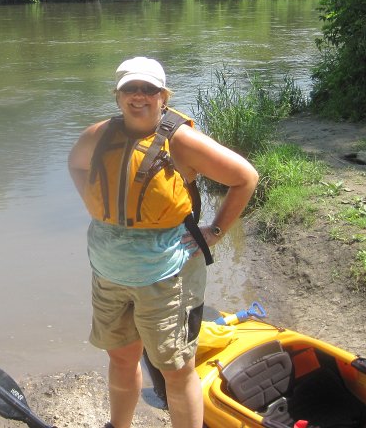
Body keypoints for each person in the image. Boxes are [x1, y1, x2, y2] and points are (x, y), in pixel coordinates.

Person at [67, 57, 259, 428]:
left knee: (176, 369)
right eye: (130, 89)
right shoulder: (99, 134)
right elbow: (76, 164)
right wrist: (96, 204)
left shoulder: (181, 140)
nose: (139, 97)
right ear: (117, 95)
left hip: (167, 275)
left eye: (149, 89)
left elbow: (245, 177)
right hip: (109, 273)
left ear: (163, 95)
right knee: (121, 359)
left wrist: (215, 232)